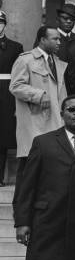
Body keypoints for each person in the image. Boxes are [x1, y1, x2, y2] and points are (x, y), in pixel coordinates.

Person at [13, 95, 75, 260]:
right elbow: (26, 186)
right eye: (71, 109)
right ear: (62, 114)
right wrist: (22, 222)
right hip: (46, 221)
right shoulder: (43, 142)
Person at [10, 26, 67, 191]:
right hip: (34, 121)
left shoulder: (57, 62)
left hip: (55, 121)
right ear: (42, 39)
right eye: (55, 39)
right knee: (29, 164)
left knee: (48, 168)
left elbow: (61, 93)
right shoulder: (25, 59)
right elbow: (15, 86)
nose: (59, 42)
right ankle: (21, 205)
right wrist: (38, 94)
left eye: (59, 39)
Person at [0, 10, 23, 185]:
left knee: (3, 134)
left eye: (1, 22)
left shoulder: (16, 47)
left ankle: (0, 177)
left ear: (5, 24)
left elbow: (19, 75)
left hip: (6, 93)